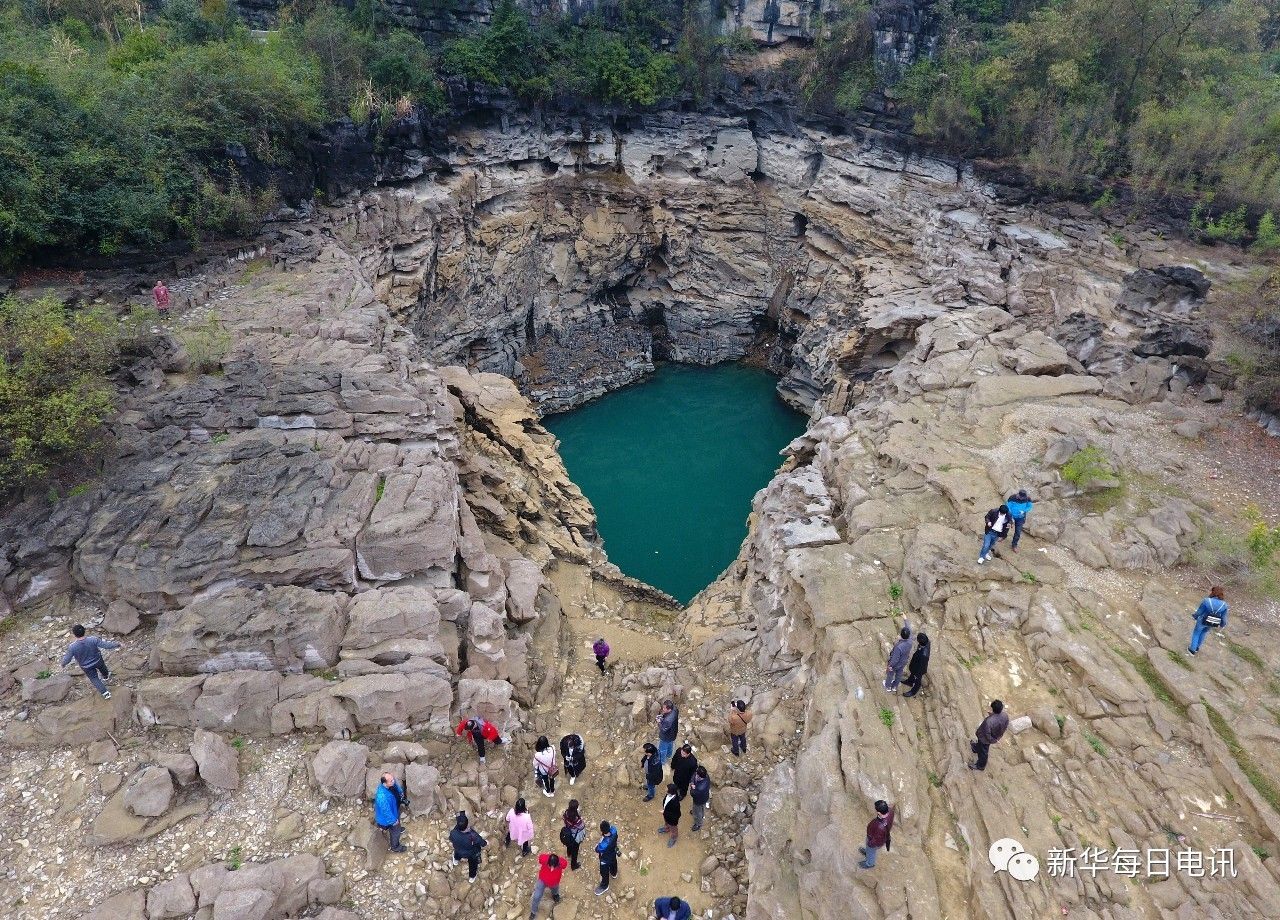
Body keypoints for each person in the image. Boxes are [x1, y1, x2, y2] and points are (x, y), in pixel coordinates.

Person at [60, 625, 122, 700]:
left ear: (74, 634)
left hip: (86, 666)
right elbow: (106, 645)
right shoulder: (93, 639)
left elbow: (67, 659)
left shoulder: (72, 647)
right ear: (84, 631)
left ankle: (105, 693)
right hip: (98, 660)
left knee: (94, 678)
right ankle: (106, 676)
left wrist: (63, 664)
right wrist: (117, 644)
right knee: (102, 668)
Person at [970, 700, 1010, 771]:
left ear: (993, 709)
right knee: (981, 745)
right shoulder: (1005, 715)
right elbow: (1006, 725)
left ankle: (980, 766)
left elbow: (987, 734)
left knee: (984, 752)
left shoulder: (989, 722)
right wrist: (997, 738)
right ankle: (976, 748)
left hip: (985, 738)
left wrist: (991, 740)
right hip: (995, 736)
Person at [1189, 586, 1229, 656]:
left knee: (1196, 633)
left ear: (1212, 592)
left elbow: (1199, 612)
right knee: (1203, 633)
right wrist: (1222, 625)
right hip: (1212, 622)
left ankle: (1192, 650)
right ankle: (1197, 648)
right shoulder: (1224, 605)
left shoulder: (1206, 601)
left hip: (1202, 620)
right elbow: (1224, 617)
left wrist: (1194, 616)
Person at [373, 772, 407, 853]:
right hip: (388, 818)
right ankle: (395, 847)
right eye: (391, 781)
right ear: (385, 783)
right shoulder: (382, 797)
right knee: (395, 831)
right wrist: (393, 821)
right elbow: (386, 812)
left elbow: (396, 786)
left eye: (393, 779)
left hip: (394, 808)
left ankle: (396, 828)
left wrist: (400, 792)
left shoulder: (390, 783)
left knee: (397, 823)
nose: (393, 781)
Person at [450, 811, 487, 883]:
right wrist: (485, 843)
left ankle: (456, 861)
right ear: (467, 825)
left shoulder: (453, 832)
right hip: (470, 854)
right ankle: (472, 877)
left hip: (458, 850)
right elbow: (482, 843)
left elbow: (451, 839)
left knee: (457, 853)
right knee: (473, 864)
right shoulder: (472, 835)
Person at [858, 800, 895, 869]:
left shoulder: (880, 827)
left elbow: (876, 841)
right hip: (881, 836)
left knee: (871, 850)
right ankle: (867, 853)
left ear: (879, 812)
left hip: (874, 840)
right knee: (869, 850)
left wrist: (870, 843)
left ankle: (869, 863)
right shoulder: (890, 811)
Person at [530, 852, 564, 918]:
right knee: (536, 896)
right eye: (550, 866)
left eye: (554, 866)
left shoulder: (561, 863)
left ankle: (555, 895)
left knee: (555, 889)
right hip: (542, 881)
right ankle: (533, 912)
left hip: (554, 882)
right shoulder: (544, 859)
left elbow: (565, 864)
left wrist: (559, 862)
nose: (552, 868)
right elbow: (540, 858)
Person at [593, 820, 619, 896]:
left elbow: (597, 849)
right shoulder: (614, 830)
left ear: (602, 831)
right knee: (614, 863)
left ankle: (605, 885)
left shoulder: (604, 844)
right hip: (613, 852)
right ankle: (614, 873)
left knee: (604, 872)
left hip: (605, 859)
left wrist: (598, 844)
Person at [560, 799, 587, 870]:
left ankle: (569, 854)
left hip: (568, 833)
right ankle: (573, 865)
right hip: (575, 836)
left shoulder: (566, 813)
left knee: (569, 845)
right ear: (576, 808)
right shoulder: (576, 819)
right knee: (575, 851)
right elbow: (581, 826)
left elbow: (564, 819)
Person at [884, 624, 912, 692]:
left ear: (901, 635)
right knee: (899, 674)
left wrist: (890, 666)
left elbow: (895, 659)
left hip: (896, 664)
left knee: (890, 674)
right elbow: (909, 629)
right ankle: (895, 687)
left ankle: (888, 686)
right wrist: (905, 620)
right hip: (904, 661)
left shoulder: (899, 647)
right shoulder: (910, 641)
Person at [902, 632, 931, 698]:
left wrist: (917, 673)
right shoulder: (927, 642)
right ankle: (909, 682)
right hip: (917, 662)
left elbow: (921, 666)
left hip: (920, 668)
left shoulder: (924, 655)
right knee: (912, 672)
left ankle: (913, 691)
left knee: (918, 679)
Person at [658, 782, 681, 847]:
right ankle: (667, 829)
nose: (665, 789)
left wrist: (664, 812)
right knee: (666, 823)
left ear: (670, 792)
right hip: (667, 815)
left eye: (666, 789)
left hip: (672, 819)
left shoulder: (675, 803)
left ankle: (674, 837)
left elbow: (675, 814)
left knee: (673, 829)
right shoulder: (669, 794)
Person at [657, 700, 679, 766]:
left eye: (664, 708)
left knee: (662, 749)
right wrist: (663, 716)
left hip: (666, 736)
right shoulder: (675, 709)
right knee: (670, 744)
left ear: (669, 709)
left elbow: (663, 729)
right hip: (673, 733)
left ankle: (662, 761)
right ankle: (669, 755)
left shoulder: (668, 720)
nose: (662, 709)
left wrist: (659, 722)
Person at [689, 765, 711, 832]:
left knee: (698, 812)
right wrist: (692, 782)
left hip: (698, 800)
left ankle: (698, 824)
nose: (695, 773)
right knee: (701, 808)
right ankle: (697, 812)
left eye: (696, 773)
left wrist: (692, 788)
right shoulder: (705, 775)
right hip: (704, 797)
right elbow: (694, 775)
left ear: (699, 776)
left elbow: (693, 794)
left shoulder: (700, 788)